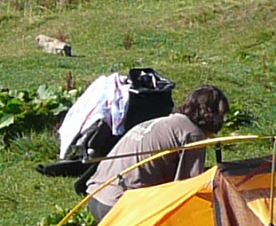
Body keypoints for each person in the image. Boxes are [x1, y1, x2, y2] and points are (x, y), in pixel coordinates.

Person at [83, 83, 228, 216]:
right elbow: (187, 188)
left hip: (96, 195)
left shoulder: (163, 123)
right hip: (118, 207)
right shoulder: (192, 134)